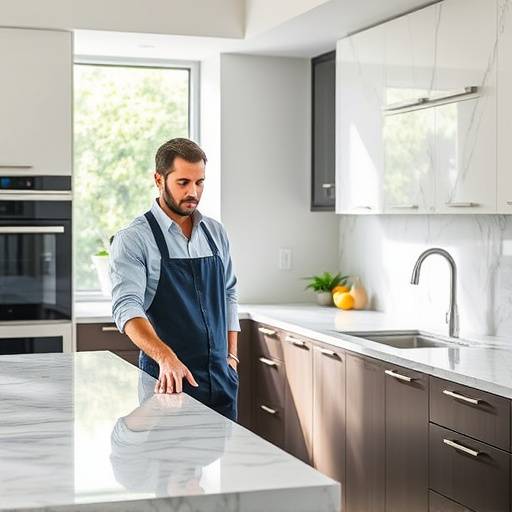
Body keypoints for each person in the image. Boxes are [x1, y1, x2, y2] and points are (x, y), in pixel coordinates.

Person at [110, 138, 240, 421]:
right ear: (159, 179)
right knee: (167, 462)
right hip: (167, 385)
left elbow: (229, 293)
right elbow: (127, 308)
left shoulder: (215, 233)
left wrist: (231, 357)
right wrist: (166, 358)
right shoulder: (134, 239)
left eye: (199, 182)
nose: (193, 192)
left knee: (223, 464)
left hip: (221, 382)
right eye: (183, 183)